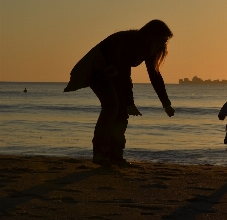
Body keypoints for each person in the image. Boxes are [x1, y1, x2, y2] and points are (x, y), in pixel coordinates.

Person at [64, 19, 175, 167]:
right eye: (162, 39)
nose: (163, 44)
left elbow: (154, 76)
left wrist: (166, 104)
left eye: (165, 41)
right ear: (151, 36)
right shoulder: (128, 42)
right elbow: (123, 74)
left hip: (113, 73)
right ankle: (100, 154)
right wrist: (130, 103)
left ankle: (115, 155)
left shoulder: (149, 49)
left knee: (121, 112)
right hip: (97, 70)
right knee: (111, 106)